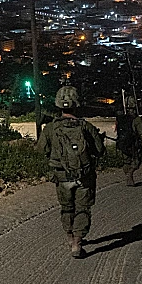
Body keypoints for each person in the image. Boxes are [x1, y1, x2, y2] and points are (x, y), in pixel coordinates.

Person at [36, 86, 105, 259]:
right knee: (83, 208)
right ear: (76, 105)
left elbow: (40, 150)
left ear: (58, 105)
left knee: (67, 208)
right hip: (84, 176)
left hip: (61, 176)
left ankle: (69, 237)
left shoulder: (51, 128)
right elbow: (100, 150)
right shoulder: (86, 126)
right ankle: (78, 242)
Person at [115, 96, 142, 186]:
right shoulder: (136, 119)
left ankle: (128, 176)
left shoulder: (120, 118)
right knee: (137, 161)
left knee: (126, 161)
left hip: (122, 142)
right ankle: (130, 173)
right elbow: (141, 132)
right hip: (134, 143)